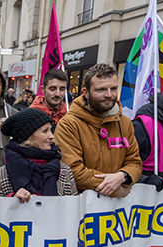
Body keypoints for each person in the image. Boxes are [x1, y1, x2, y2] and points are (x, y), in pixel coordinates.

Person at [54, 63, 142, 198]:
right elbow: (72, 171)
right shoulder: (69, 125)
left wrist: (123, 176)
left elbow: (135, 162)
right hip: (81, 207)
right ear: (86, 93)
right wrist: (115, 190)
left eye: (113, 88)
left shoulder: (125, 123)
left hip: (116, 211)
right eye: (101, 90)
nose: (109, 95)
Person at [0, 108, 77, 200]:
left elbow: (73, 210)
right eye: (45, 131)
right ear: (27, 137)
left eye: (50, 130)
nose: (52, 136)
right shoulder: (4, 173)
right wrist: (12, 199)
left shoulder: (64, 171)